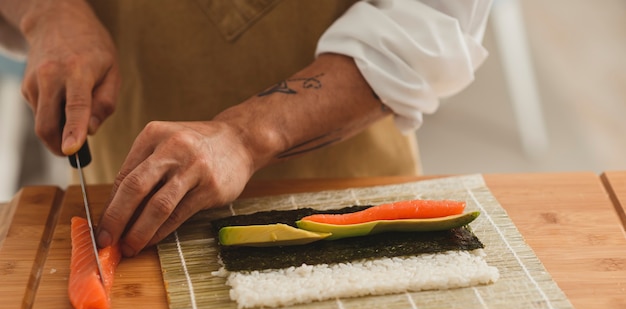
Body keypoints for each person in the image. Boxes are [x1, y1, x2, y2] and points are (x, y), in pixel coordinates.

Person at [0, 0, 492, 257]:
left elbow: (431, 20)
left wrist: (243, 135)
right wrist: (47, 9)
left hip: (341, 179)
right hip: (125, 174)